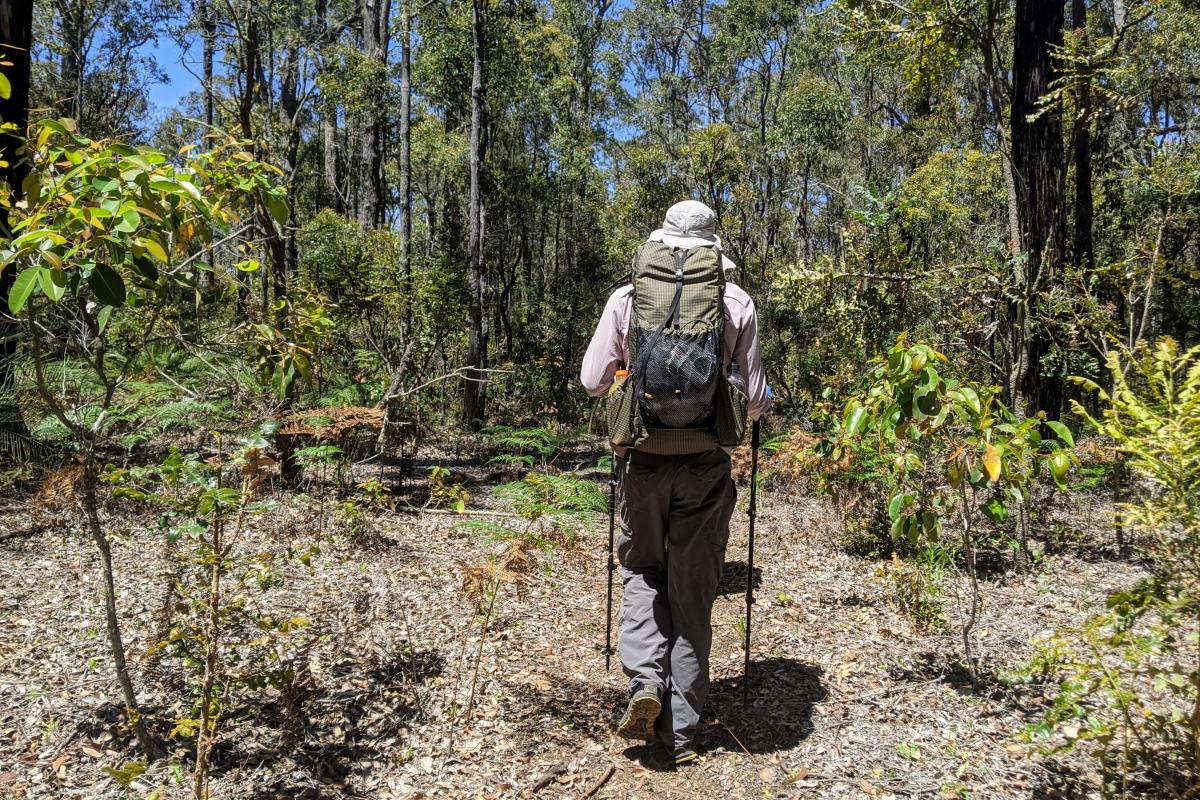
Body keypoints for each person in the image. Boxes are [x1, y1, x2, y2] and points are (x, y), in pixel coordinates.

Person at [579, 200, 770, 766]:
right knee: (693, 590)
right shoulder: (736, 302)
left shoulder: (626, 298)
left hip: (642, 462)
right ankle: (681, 732)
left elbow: (593, 381)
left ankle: (644, 682)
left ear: (660, 246)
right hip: (706, 467)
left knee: (642, 569)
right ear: (714, 252)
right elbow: (755, 401)